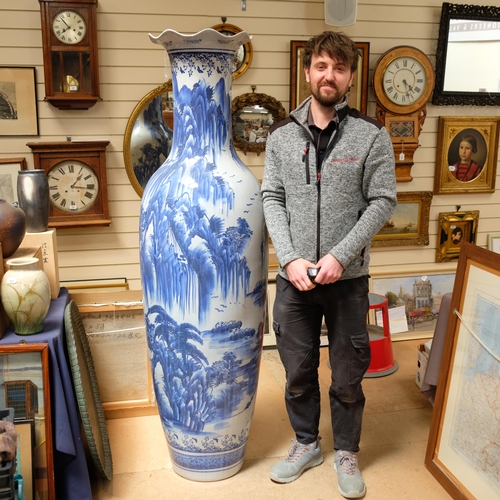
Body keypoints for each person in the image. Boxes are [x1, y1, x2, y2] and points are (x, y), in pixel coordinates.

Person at [261, 31, 397, 499]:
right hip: (294, 279)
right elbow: (272, 197)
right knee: (297, 372)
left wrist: (341, 255)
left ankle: (346, 451)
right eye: (321, 66)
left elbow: (383, 200)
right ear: (307, 72)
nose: (329, 76)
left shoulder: (371, 134)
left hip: (347, 280)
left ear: (350, 77)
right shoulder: (280, 136)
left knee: (347, 375)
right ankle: (306, 444)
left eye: (339, 68)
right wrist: (290, 258)